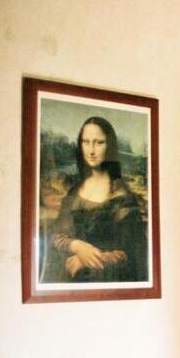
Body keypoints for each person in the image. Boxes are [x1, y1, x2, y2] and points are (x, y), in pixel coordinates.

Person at [41, 116, 147, 283]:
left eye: (98, 143)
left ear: (109, 146)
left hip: (104, 281)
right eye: (86, 142)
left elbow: (131, 253)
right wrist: (76, 246)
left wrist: (88, 259)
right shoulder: (74, 190)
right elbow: (55, 235)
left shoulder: (122, 197)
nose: (91, 150)